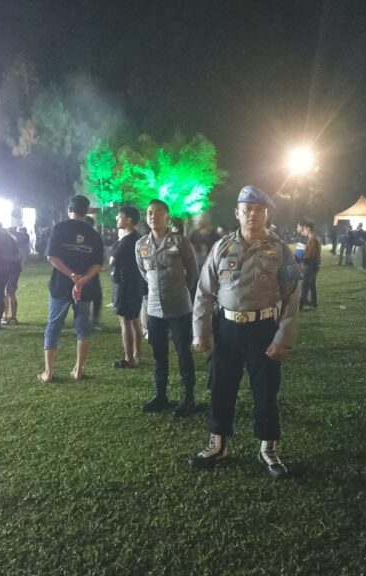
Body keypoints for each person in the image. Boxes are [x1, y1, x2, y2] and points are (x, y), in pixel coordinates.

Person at [190, 185, 300, 479]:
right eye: (247, 209)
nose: (252, 214)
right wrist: (200, 331)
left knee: (265, 390)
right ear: (237, 213)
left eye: (258, 210)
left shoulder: (279, 250)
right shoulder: (221, 247)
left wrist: (283, 338)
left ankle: (268, 447)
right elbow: (204, 292)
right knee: (221, 388)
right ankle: (217, 444)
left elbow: (292, 297)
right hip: (227, 329)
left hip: (264, 328)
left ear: (266, 214)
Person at [135, 199, 199, 416]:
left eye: (158, 212)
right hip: (154, 308)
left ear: (167, 216)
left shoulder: (180, 241)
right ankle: (161, 396)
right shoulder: (141, 245)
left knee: (184, 354)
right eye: (150, 213)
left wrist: (180, 290)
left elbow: (193, 272)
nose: (153, 216)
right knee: (158, 355)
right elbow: (144, 273)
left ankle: (188, 398)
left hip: (179, 306)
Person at [39, 195, 104, 382]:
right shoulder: (93, 234)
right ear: (86, 211)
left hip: (60, 285)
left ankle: (48, 372)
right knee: (83, 327)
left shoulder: (60, 228)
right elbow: (98, 264)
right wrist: (82, 280)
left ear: (70, 210)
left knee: (54, 326)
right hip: (84, 288)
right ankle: (78, 370)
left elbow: (52, 257)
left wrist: (72, 276)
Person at [110, 206, 145, 368]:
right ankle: (137, 354)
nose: (117, 219)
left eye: (120, 217)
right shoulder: (139, 238)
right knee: (135, 320)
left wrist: (118, 241)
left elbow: (112, 260)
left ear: (128, 220)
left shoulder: (126, 240)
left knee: (125, 321)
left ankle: (129, 358)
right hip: (136, 282)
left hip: (124, 283)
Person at [297, 219, 321, 310]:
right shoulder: (313, 239)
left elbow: (311, 255)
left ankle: (300, 306)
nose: (304, 231)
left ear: (308, 228)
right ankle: (313, 303)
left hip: (310, 265)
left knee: (305, 285)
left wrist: (301, 257)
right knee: (311, 284)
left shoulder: (313, 240)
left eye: (305, 229)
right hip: (313, 265)